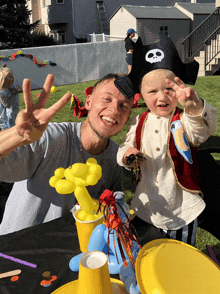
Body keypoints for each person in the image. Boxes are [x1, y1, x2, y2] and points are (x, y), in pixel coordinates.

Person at [0, 73, 136, 235]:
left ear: (127, 118)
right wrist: (17, 136)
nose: (114, 110)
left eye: (123, 106)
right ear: (88, 101)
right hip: (16, 248)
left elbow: (110, 210)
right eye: (107, 99)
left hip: (69, 252)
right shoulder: (51, 137)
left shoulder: (115, 157)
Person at [115, 35, 218, 246]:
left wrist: (195, 106)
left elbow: (200, 133)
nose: (161, 98)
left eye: (169, 89)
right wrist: (126, 155)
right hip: (148, 205)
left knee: (180, 255)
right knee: (150, 252)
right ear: (141, 95)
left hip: (182, 206)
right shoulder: (139, 120)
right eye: (152, 91)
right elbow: (126, 145)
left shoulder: (184, 118)